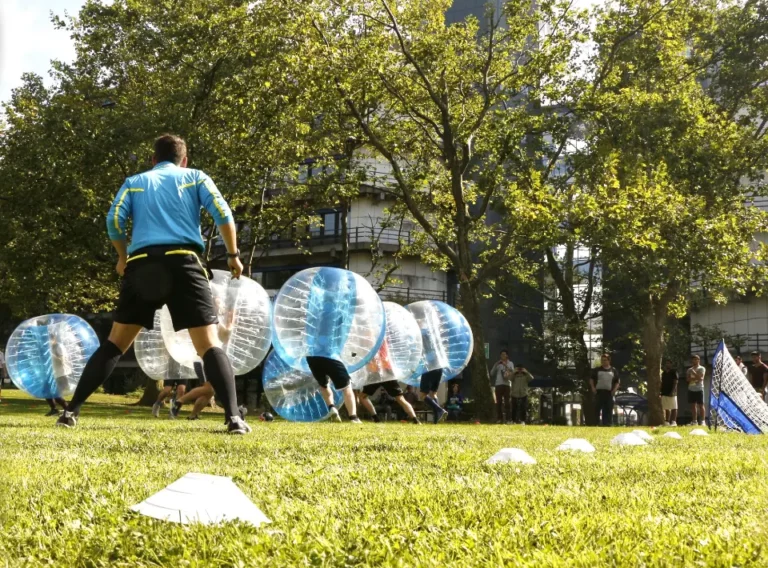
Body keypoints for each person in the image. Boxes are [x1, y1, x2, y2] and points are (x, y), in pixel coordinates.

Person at [56, 134, 250, 434]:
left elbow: (114, 222)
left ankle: (71, 411)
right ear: (184, 160)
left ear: (152, 160)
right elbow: (223, 213)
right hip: (184, 262)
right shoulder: (195, 177)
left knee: (115, 344)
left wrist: (123, 257)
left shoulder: (135, 182)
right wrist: (234, 255)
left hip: (142, 265)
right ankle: (234, 419)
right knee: (209, 346)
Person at [305, 356, 362, 423]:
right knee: (347, 387)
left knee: (324, 385)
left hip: (313, 359)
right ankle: (353, 417)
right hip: (331, 357)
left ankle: (332, 407)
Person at [590, 353, 619, 426]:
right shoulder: (597, 370)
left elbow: (617, 381)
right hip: (599, 392)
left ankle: (607, 424)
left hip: (609, 393)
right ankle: (595, 424)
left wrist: (614, 390)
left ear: (609, 361)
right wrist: (593, 388)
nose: (603, 362)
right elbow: (591, 379)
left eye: (605, 360)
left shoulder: (613, 370)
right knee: (596, 409)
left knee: (608, 410)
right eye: (602, 360)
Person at [490, 350, 515, 424]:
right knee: (499, 402)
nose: (502, 356)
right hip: (498, 384)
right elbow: (491, 373)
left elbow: (513, 373)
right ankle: (499, 418)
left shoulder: (511, 363)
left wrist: (505, 365)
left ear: (507, 355)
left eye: (504, 354)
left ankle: (508, 419)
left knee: (507, 402)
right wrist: (496, 364)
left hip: (507, 384)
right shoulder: (498, 364)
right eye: (501, 355)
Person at [687, 355, 706, 426]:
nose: (694, 361)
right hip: (691, 389)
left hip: (699, 388)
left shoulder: (702, 368)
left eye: (696, 359)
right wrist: (695, 378)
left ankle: (703, 421)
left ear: (699, 360)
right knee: (693, 405)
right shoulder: (689, 370)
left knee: (701, 405)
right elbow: (688, 379)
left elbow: (701, 378)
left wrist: (694, 373)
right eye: (693, 360)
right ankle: (694, 421)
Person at [660, 359, 678, 426]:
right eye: (666, 363)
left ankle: (673, 421)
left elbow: (675, 382)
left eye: (669, 363)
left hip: (672, 392)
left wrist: (673, 391)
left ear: (671, 364)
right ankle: (667, 421)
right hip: (664, 392)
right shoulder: (663, 373)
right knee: (666, 407)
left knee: (674, 407)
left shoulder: (674, 372)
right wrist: (660, 391)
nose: (668, 364)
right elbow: (662, 383)